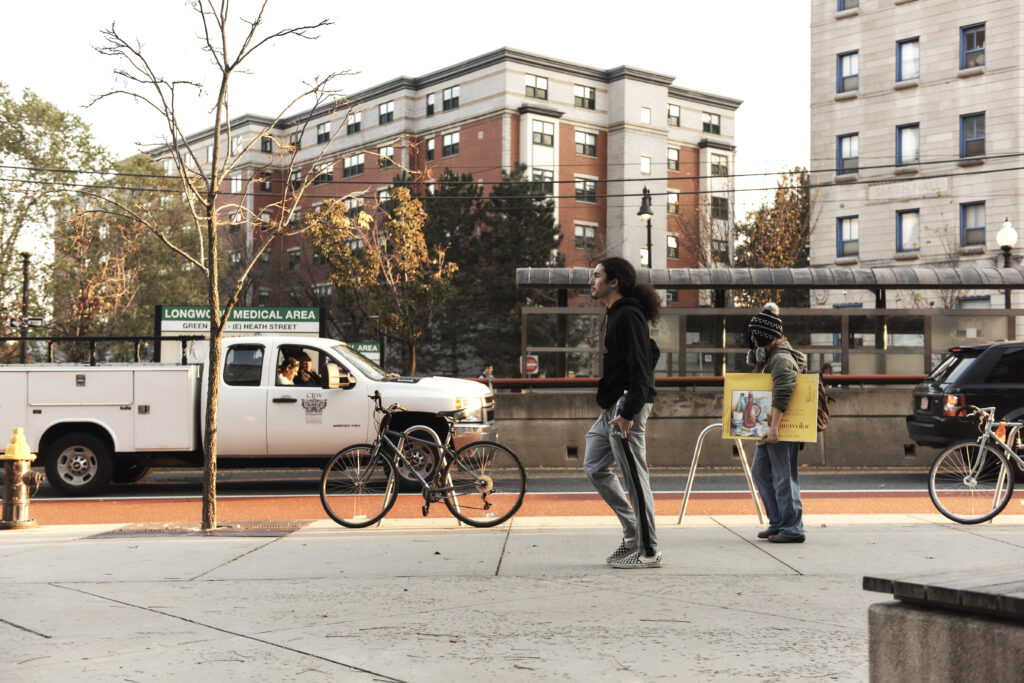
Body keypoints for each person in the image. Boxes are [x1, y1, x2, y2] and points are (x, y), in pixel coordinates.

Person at [584, 257, 662, 569]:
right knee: (594, 465)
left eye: (597, 275)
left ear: (613, 282)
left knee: (635, 478)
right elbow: (651, 351)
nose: (591, 280)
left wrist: (629, 407)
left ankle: (649, 551)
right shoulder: (617, 314)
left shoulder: (628, 315)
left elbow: (642, 364)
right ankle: (632, 532)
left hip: (624, 407)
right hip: (612, 406)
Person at [747, 303, 808, 544]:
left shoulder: (781, 359)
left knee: (784, 476)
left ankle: (792, 528)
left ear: (764, 336)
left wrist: (774, 430)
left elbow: (783, 392)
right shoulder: (773, 357)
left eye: (754, 336)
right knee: (761, 471)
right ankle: (778, 522)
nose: (751, 340)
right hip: (770, 427)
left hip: (780, 429)